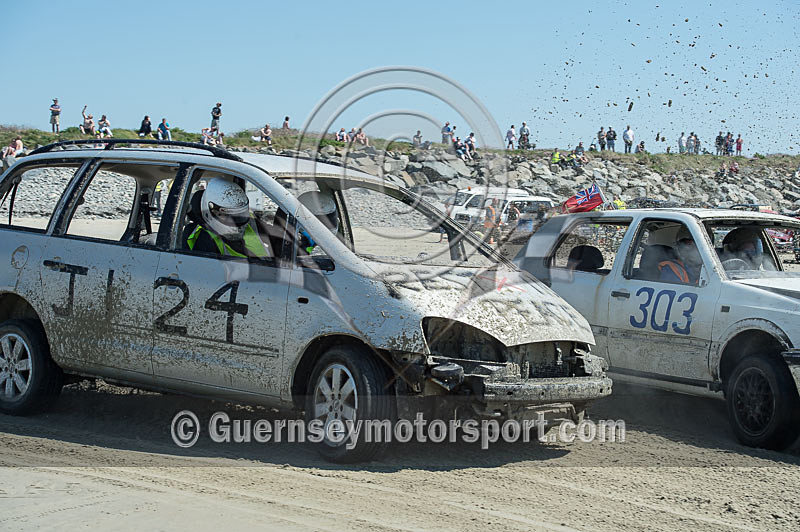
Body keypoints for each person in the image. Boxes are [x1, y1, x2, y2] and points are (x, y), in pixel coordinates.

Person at [186, 178, 271, 259]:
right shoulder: (204, 239)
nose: (237, 221)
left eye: (241, 214)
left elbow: (275, 236)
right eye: (231, 217)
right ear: (211, 212)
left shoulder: (250, 221)